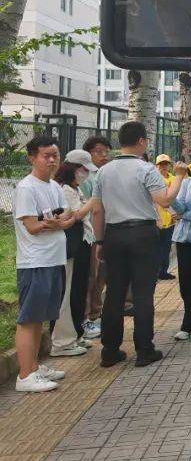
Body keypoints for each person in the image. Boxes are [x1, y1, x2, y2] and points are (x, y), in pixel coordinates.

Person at [90, 121, 185, 368]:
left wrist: (100, 240)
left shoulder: (104, 171)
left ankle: (110, 351)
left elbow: (97, 210)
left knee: (114, 293)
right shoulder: (146, 169)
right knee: (143, 293)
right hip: (142, 234)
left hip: (114, 234)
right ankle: (144, 350)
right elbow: (164, 200)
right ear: (142, 141)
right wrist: (179, 177)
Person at [11, 135, 75, 392]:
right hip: (35, 262)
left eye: (55, 156)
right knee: (29, 318)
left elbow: (68, 215)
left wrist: (59, 222)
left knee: (41, 317)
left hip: (54, 258)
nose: (52, 160)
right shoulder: (27, 188)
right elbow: (32, 226)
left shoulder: (54, 186)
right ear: (32, 158)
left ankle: (34, 366)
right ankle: (25, 375)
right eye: (46, 156)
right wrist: (55, 224)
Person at [50, 152, 102, 358]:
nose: (86, 174)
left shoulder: (75, 188)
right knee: (68, 292)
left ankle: (76, 333)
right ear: (73, 168)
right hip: (70, 247)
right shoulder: (64, 189)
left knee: (79, 291)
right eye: (84, 169)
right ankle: (62, 340)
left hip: (82, 243)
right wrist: (95, 198)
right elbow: (77, 214)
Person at [80, 135, 111, 339]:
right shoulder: (86, 177)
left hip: (105, 233)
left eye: (106, 151)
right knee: (90, 277)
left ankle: (95, 314)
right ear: (88, 153)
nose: (103, 155)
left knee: (101, 277)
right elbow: (91, 209)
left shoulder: (103, 174)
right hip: (92, 235)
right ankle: (86, 319)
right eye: (98, 151)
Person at [169, 166, 191, 341]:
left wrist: (185, 216)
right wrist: (171, 196)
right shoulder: (186, 183)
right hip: (183, 239)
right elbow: (179, 208)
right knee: (186, 284)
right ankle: (188, 324)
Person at [154, 155, 176, 280]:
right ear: (156, 166)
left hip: (170, 219)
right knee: (156, 247)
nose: (163, 166)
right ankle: (156, 271)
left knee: (166, 247)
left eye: (166, 164)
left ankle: (163, 271)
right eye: (161, 164)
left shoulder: (173, 179)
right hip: (157, 219)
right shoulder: (154, 179)